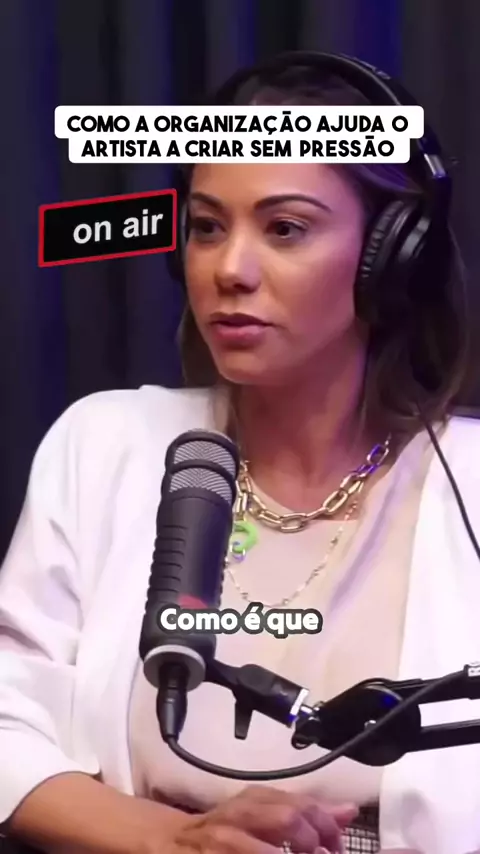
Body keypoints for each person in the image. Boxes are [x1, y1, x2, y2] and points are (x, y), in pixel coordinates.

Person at [0, 51, 479, 854]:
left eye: (285, 228)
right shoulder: (105, 445)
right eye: (207, 227)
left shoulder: (469, 482)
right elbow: (7, 719)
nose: (229, 269)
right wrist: (173, 841)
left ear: (391, 256)